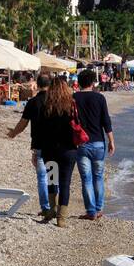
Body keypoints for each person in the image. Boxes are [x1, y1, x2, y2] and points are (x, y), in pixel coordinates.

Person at [36, 76, 81, 228]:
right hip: (68, 150)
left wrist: (37, 149)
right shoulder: (71, 104)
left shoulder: (46, 105)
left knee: (52, 180)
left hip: (50, 150)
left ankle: (51, 210)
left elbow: (39, 129)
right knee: (65, 183)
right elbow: (78, 124)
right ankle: (61, 218)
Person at [7, 74, 53, 220]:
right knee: (53, 177)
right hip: (55, 145)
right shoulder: (56, 101)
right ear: (50, 84)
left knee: (42, 177)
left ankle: (46, 208)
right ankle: (54, 207)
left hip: (38, 144)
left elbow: (23, 122)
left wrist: (14, 133)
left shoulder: (33, 102)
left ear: (37, 85)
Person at [73, 69, 114, 221]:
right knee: (98, 177)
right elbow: (106, 121)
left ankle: (91, 211)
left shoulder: (74, 98)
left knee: (87, 179)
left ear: (79, 82)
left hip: (81, 143)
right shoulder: (99, 98)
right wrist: (111, 141)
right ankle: (99, 209)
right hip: (98, 143)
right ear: (92, 83)